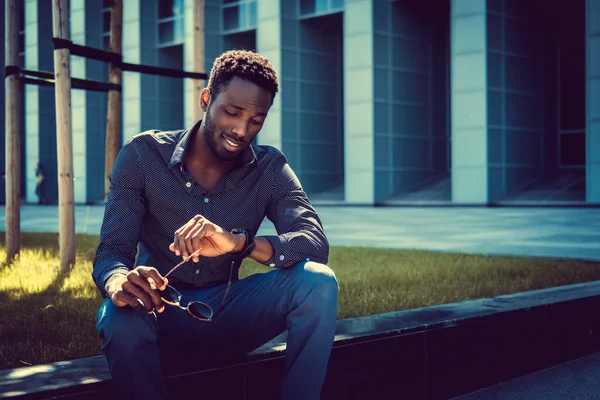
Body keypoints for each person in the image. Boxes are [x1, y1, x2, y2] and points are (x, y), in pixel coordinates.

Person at [92, 50, 339, 400]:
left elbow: (314, 243)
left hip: (230, 313)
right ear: (206, 99)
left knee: (318, 282)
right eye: (233, 112)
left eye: (256, 120)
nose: (242, 130)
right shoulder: (142, 156)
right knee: (116, 315)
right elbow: (111, 253)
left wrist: (241, 243)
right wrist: (119, 280)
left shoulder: (269, 169)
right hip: (161, 313)